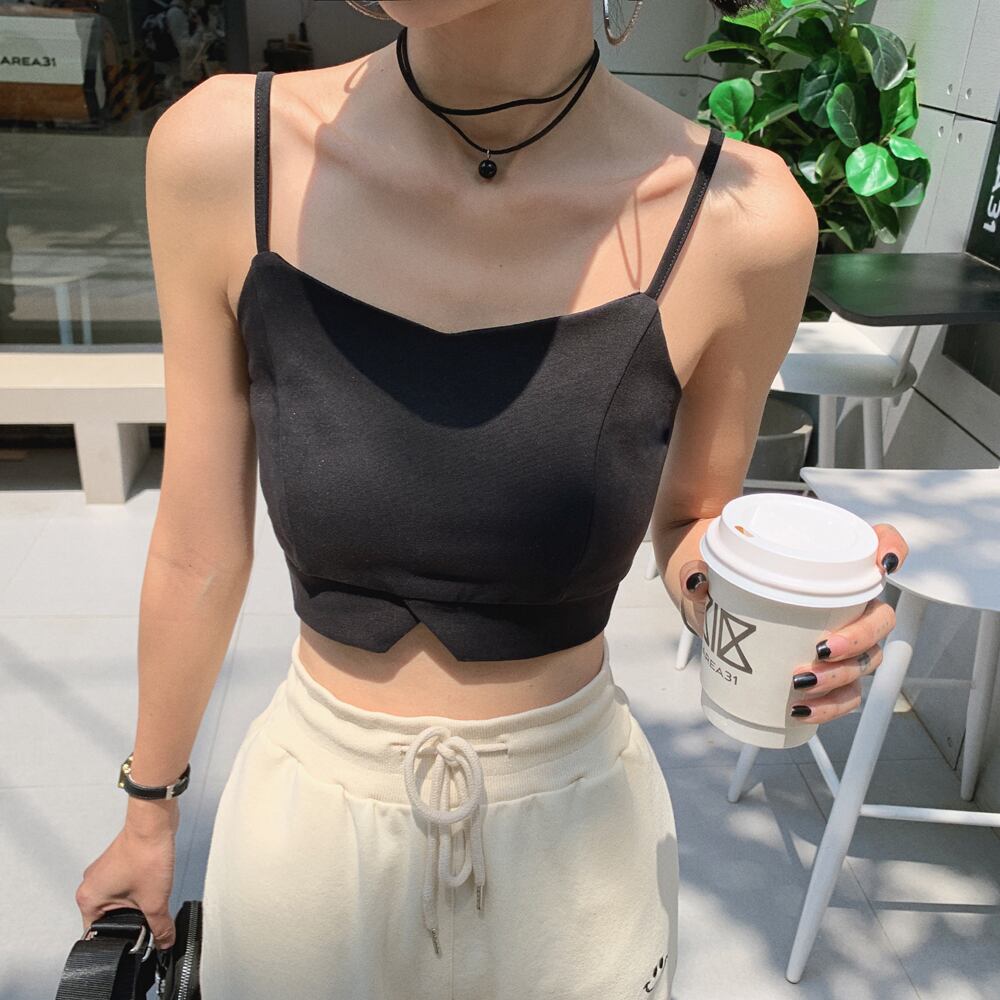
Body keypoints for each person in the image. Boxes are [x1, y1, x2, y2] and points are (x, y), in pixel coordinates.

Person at [75, 0, 910, 997]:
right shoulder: (224, 152)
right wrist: (148, 811)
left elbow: (691, 520)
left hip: (573, 859)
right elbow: (197, 548)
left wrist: (762, 608)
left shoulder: (742, 219)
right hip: (303, 846)